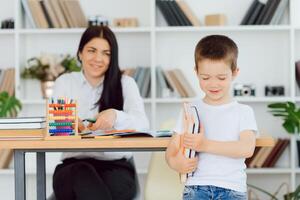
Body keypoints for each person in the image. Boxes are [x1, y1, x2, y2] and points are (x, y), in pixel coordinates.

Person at [51, 26, 149, 200]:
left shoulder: (126, 83)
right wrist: (70, 125)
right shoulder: (64, 83)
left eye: (106, 53)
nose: (98, 58)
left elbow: (143, 124)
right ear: (80, 53)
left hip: (116, 169)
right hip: (72, 168)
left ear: (113, 58)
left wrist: (116, 116)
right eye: (92, 51)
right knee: (82, 174)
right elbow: (54, 127)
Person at [165, 35, 258, 200]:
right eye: (205, 78)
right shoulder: (190, 110)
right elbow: (171, 151)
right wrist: (176, 163)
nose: (213, 84)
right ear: (196, 72)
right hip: (195, 189)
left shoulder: (243, 111)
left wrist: (205, 145)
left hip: (232, 190)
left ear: (235, 73)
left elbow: (246, 148)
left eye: (221, 78)